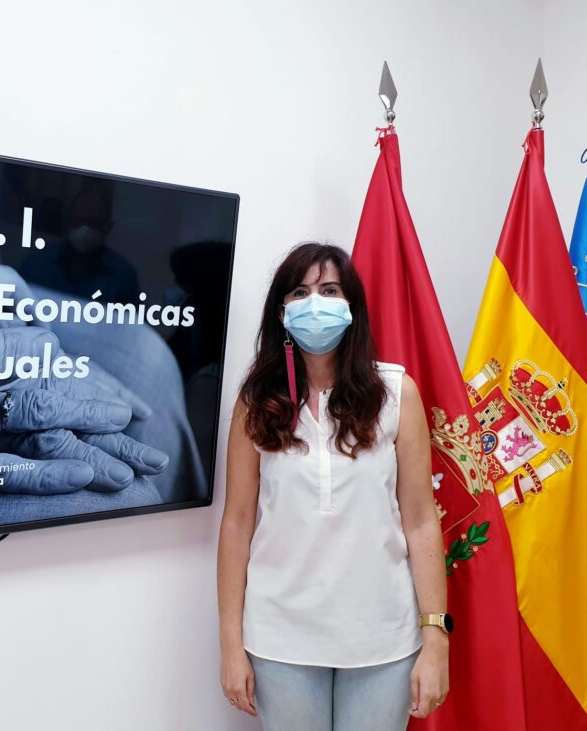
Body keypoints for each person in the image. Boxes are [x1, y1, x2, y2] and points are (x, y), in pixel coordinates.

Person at [217, 242, 449, 730]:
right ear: (282, 312)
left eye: (329, 290)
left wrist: (436, 638)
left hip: (382, 638)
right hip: (280, 638)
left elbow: (421, 521)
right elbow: (237, 525)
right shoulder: (256, 402)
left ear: (352, 307)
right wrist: (231, 647)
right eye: (300, 293)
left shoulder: (396, 394)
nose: (315, 304)